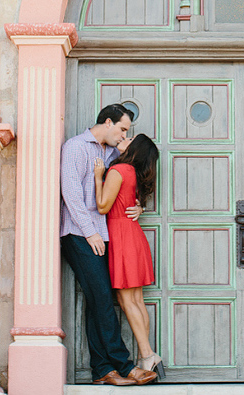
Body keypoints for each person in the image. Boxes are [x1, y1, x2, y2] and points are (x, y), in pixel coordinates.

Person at [60, 104, 157, 386]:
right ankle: (125, 366)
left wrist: (138, 206)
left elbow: (125, 188)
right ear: (108, 122)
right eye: (123, 129)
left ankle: (102, 369)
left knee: (97, 300)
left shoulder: (114, 154)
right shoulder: (76, 147)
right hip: (79, 234)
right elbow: (71, 195)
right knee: (103, 298)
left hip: (103, 236)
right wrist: (89, 232)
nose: (124, 135)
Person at [94, 134, 163, 379]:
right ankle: (150, 355)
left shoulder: (119, 169)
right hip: (132, 235)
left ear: (135, 148)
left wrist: (98, 178)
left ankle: (147, 354)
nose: (125, 137)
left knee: (127, 301)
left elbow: (102, 206)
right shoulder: (133, 172)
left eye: (130, 137)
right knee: (136, 300)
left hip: (121, 236)